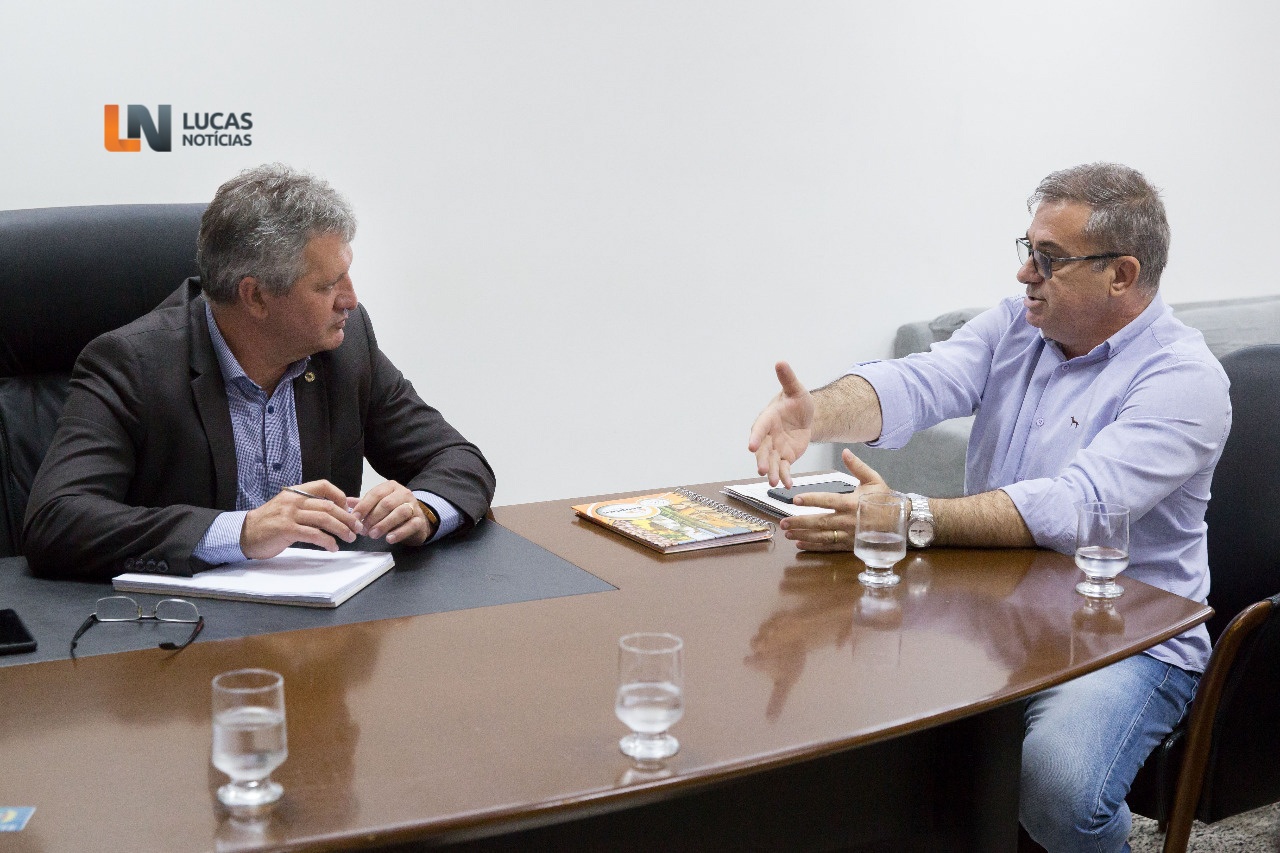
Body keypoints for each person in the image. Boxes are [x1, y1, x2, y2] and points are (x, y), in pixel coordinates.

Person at [748, 163, 1231, 852]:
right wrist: (816, 411)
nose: (1025, 273)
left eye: (1050, 258)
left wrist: (910, 517)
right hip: (995, 608)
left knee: (1059, 787)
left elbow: (1076, 506)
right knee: (854, 718)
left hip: (1125, 635)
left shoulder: (1185, 379)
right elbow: (923, 380)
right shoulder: (1018, 324)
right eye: (1028, 249)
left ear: (1121, 275)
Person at [24, 164, 496, 581]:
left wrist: (423, 510)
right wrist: (242, 532)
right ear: (255, 297)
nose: (351, 300)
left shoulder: (345, 347)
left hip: (324, 625)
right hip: (185, 630)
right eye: (327, 286)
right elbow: (56, 521)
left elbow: (457, 460)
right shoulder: (131, 364)